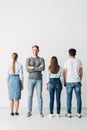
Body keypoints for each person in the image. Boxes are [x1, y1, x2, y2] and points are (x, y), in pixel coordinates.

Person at [26, 45, 45, 117]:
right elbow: (27, 70)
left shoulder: (41, 59)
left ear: (38, 50)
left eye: (36, 50)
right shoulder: (28, 59)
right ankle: (29, 111)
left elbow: (43, 69)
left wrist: (32, 68)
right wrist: (37, 67)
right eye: (33, 50)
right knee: (30, 96)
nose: (35, 51)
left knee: (39, 96)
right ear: (32, 50)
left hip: (39, 80)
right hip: (30, 79)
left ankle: (40, 111)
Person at [64, 48, 83, 118]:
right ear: (75, 53)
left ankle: (69, 114)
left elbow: (65, 72)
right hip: (77, 81)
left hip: (69, 81)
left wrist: (65, 81)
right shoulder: (79, 61)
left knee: (69, 98)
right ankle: (78, 113)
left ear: (69, 54)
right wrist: (80, 79)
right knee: (78, 98)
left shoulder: (66, 61)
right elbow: (81, 72)